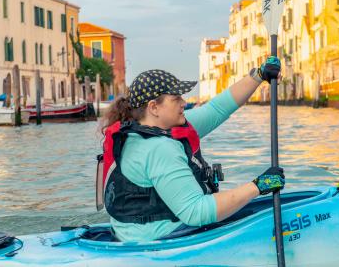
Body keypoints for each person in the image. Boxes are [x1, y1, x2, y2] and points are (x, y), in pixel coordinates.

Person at [100, 57, 285, 242]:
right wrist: (258, 186)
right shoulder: (159, 148)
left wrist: (258, 76)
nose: (183, 102)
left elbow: (217, 109)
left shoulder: (141, 129)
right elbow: (196, 212)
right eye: (176, 98)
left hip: (129, 233)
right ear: (154, 107)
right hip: (159, 240)